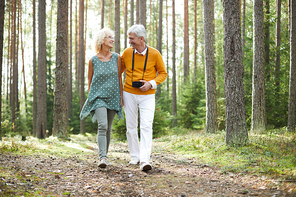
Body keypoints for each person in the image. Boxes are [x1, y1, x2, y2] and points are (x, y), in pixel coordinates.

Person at [121, 24, 168, 171]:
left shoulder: (155, 54)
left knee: (146, 126)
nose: (129, 42)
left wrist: (151, 83)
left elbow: (163, 73)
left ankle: (145, 160)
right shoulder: (127, 53)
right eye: (129, 39)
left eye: (132, 39)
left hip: (148, 95)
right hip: (129, 93)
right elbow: (117, 71)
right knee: (131, 126)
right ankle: (135, 157)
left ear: (141, 39)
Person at [80, 27, 123, 168]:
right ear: (101, 40)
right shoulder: (93, 60)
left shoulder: (117, 58)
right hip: (98, 98)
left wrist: (121, 97)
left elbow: (119, 78)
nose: (112, 39)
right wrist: (91, 98)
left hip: (113, 97)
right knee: (102, 125)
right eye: (109, 37)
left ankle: (105, 155)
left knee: (108, 128)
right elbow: (90, 81)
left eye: (112, 37)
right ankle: (102, 157)